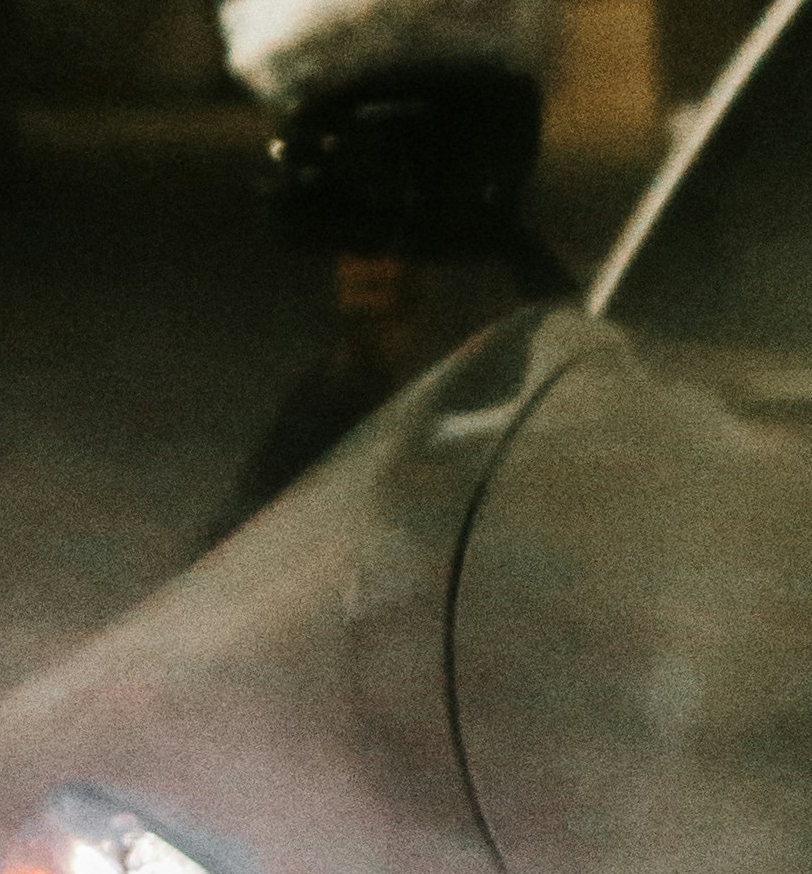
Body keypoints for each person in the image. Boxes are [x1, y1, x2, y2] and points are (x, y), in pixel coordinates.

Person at [225, 51, 571, 526]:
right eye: (346, 231)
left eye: (404, 234)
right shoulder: (330, 403)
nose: (369, 262)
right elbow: (235, 560)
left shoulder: (551, 387)